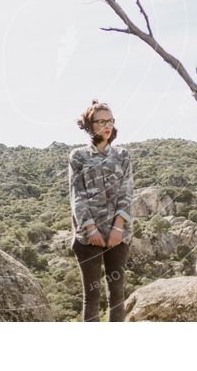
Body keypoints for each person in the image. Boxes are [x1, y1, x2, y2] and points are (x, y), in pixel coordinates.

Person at [68, 99, 134, 322]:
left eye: (111, 120)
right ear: (90, 126)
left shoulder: (123, 155)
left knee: (117, 296)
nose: (107, 125)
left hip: (118, 235)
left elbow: (127, 191)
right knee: (92, 297)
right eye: (101, 121)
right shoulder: (78, 156)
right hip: (88, 238)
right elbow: (78, 194)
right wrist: (90, 229)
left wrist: (118, 227)